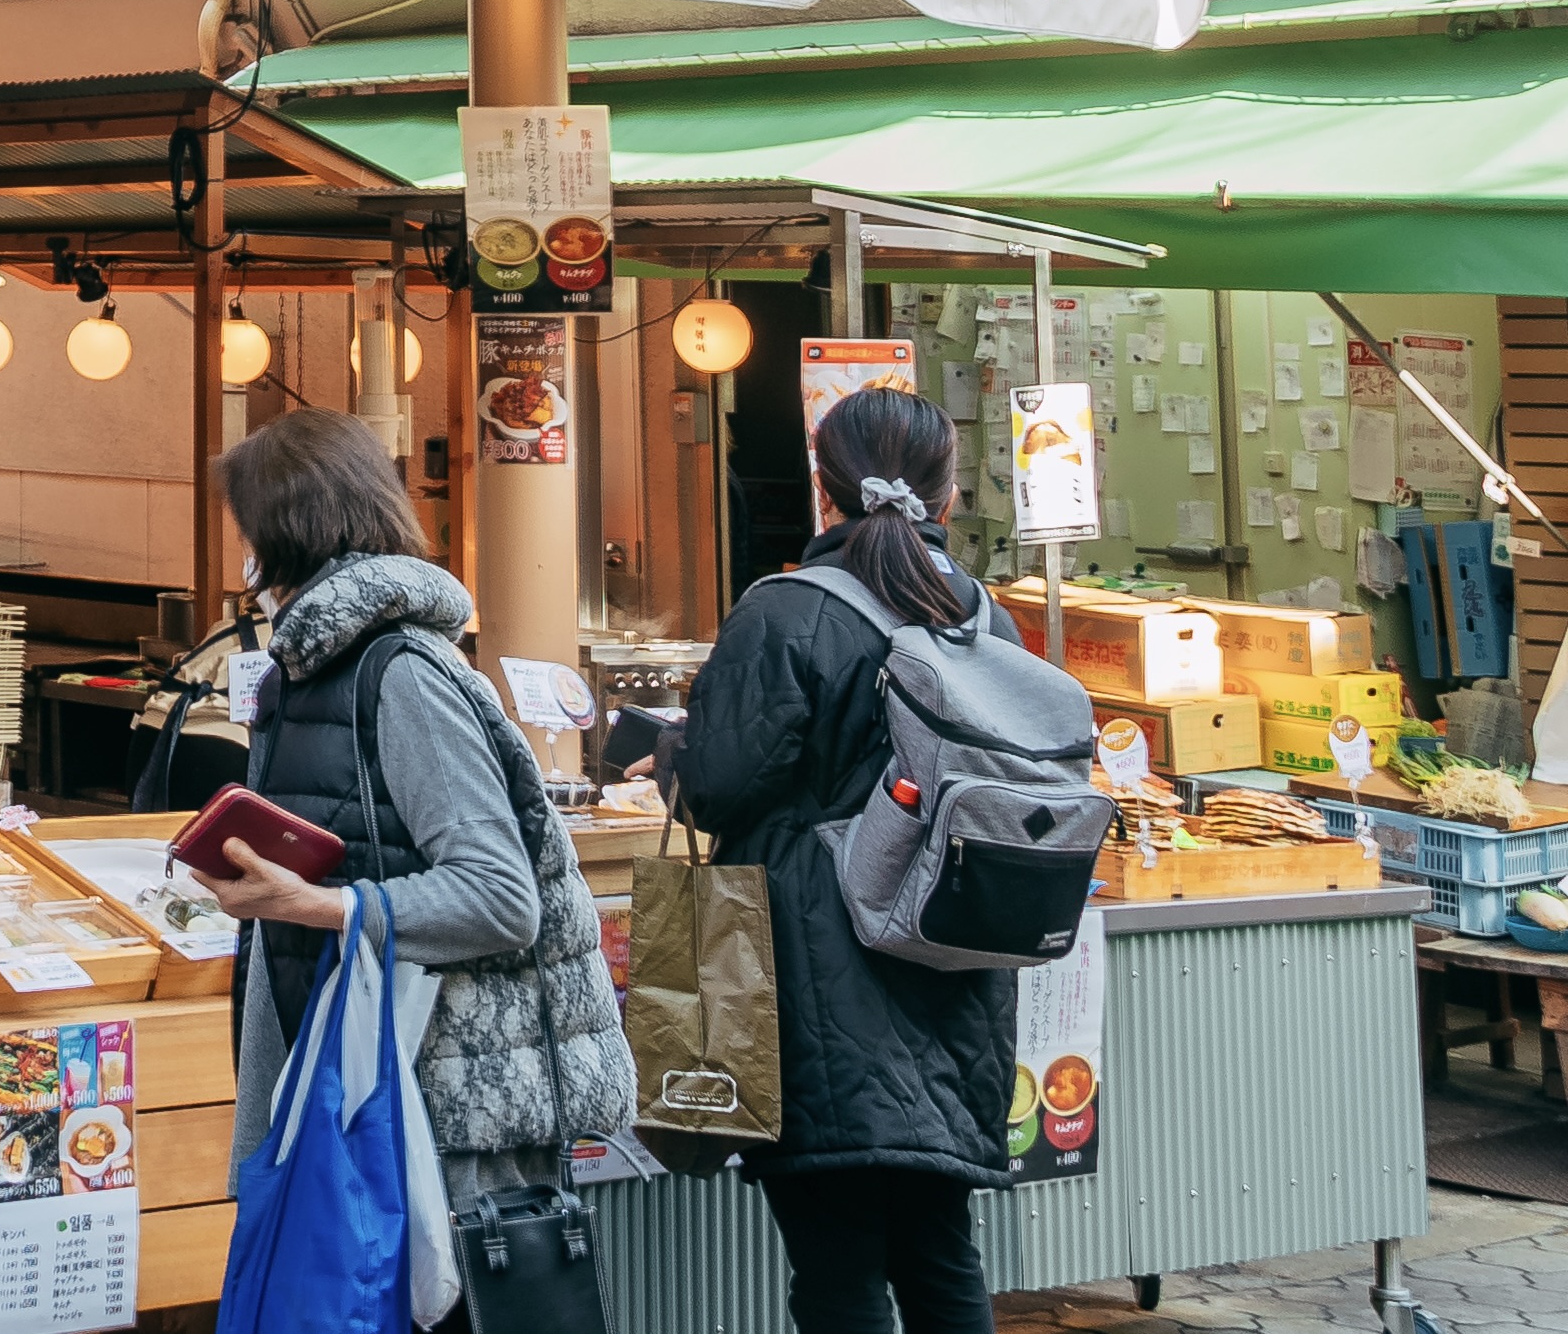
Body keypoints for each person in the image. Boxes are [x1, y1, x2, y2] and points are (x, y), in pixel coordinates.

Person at [183, 409, 629, 1317]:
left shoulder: (402, 672)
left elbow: (499, 896)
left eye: (248, 534)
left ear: (285, 531)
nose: (244, 561)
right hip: (362, 1089)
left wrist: (312, 903)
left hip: (441, 1107)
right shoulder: (309, 669)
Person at [681, 387, 1019, 1334]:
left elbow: (716, 788)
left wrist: (668, 751)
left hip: (810, 971)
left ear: (821, 488)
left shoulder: (784, 611)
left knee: (835, 1265)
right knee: (939, 1249)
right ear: (949, 494)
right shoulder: (984, 621)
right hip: (952, 963)